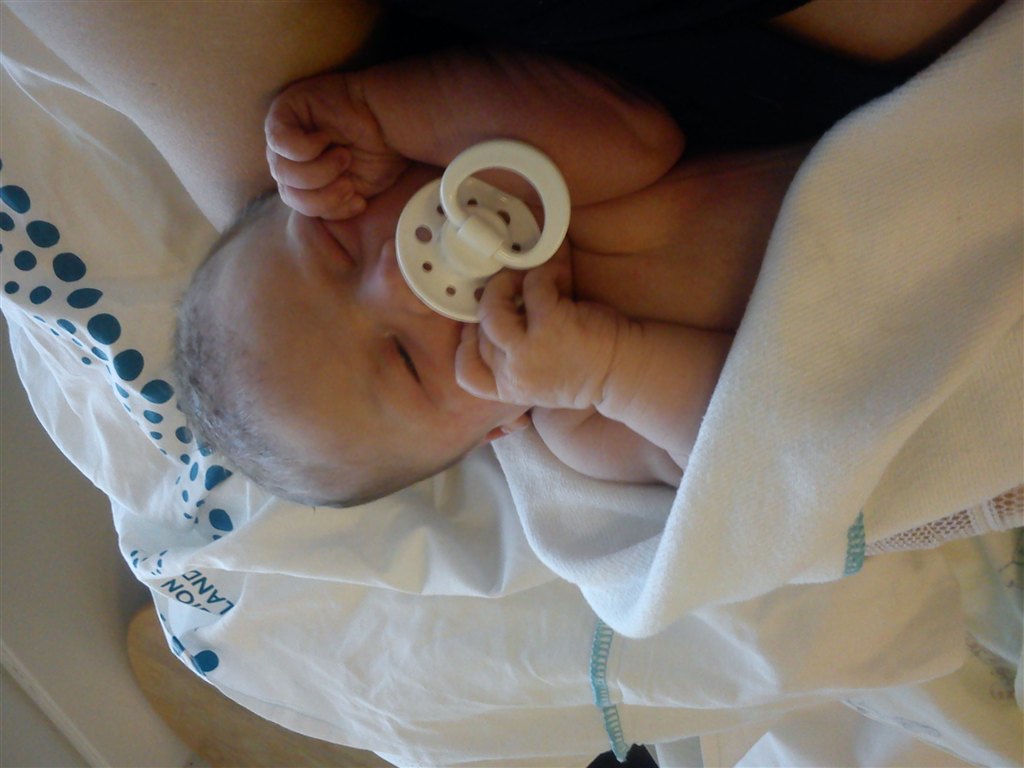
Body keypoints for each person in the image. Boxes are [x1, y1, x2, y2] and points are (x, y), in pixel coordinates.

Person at [174, 47, 805, 506]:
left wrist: (375, 113)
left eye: (336, 247)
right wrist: (616, 367)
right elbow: (757, 454)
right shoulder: (584, 424)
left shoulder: (517, 184)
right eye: (405, 360)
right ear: (497, 428)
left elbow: (638, 136)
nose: (395, 280)